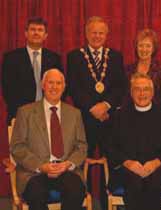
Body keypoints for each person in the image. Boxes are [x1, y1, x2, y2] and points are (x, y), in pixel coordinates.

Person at [10, 69, 87, 210]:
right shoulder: (25, 112)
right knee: (36, 195)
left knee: (76, 191)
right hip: (34, 172)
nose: (54, 87)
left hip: (66, 171)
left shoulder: (75, 113)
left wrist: (68, 164)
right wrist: (40, 166)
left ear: (64, 87)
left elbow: (81, 146)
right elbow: (17, 146)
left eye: (58, 83)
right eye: (50, 82)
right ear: (43, 85)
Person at [107, 73, 161, 210]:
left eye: (146, 89)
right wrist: (128, 163)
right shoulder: (119, 116)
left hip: (157, 168)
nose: (142, 93)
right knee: (135, 183)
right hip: (128, 169)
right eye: (137, 89)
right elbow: (111, 147)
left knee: (153, 183)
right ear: (131, 92)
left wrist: (156, 163)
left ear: (152, 92)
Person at [67, 16, 127, 157]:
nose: (97, 36)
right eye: (94, 32)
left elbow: (120, 86)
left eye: (101, 33)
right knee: (82, 160)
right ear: (87, 33)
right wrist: (93, 108)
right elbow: (73, 88)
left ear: (106, 35)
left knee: (112, 161)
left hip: (109, 118)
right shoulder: (74, 56)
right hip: (85, 119)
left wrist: (105, 105)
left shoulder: (115, 56)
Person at [2, 17, 63, 124]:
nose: (36, 33)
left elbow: (60, 87)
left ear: (45, 35)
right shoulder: (11, 58)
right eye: (33, 29)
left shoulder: (54, 59)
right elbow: (8, 90)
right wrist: (26, 111)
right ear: (26, 33)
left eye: (40, 30)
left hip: (48, 114)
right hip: (20, 114)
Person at [124, 29, 161, 110]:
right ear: (136, 47)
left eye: (148, 46)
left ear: (153, 49)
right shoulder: (128, 70)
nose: (144, 49)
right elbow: (125, 98)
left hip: (155, 116)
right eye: (141, 45)